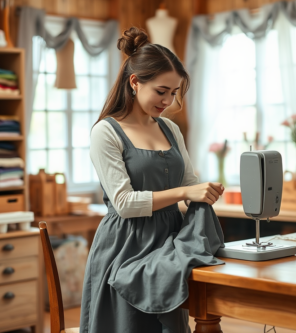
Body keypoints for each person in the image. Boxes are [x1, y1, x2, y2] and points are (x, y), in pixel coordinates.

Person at [80, 26, 225, 333]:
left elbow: (189, 184)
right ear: (134, 82)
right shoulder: (106, 132)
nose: (168, 102)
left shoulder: (170, 129)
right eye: (161, 91)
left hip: (168, 247)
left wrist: (203, 193)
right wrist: (187, 191)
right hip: (126, 248)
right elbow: (124, 204)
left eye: (173, 93)